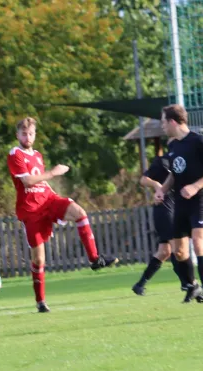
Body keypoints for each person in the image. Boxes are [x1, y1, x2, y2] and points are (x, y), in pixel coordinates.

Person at [7, 117, 119, 313]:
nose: (27, 137)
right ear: (17, 135)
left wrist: (52, 190)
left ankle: (94, 259)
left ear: (35, 135)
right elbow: (27, 181)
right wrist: (53, 173)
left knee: (80, 213)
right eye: (24, 133)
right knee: (39, 260)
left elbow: (40, 181)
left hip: (48, 200)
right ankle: (40, 301)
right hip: (31, 210)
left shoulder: (38, 155)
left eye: (31, 133)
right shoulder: (15, 154)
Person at [155, 104, 203, 303]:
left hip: (201, 199)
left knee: (198, 241)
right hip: (181, 202)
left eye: (163, 122)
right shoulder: (173, 145)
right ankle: (193, 286)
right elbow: (174, 174)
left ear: (172, 122)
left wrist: (195, 186)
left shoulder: (199, 141)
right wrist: (162, 189)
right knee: (179, 251)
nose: (162, 126)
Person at [132, 142, 186, 296]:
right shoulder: (162, 162)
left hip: (175, 208)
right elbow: (143, 180)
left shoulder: (184, 162)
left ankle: (140, 284)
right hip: (164, 210)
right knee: (177, 249)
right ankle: (187, 283)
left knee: (164, 252)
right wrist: (156, 185)